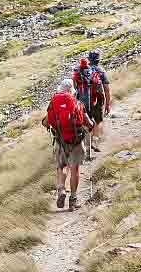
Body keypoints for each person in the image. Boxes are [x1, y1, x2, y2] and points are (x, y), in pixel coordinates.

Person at [43, 78, 94, 211]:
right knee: (74, 169)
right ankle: (73, 200)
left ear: (60, 90)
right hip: (76, 142)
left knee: (61, 167)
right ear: (72, 90)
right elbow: (88, 123)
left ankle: (61, 190)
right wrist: (90, 125)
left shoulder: (54, 103)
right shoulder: (77, 104)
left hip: (60, 141)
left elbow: (46, 123)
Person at [87, 51, 112, 153]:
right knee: (98, 121)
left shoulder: (82, 70)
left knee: (86, 120)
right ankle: (94, 140)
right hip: (97, 99)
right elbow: (106, 89)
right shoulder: (101, 71)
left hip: (84, 100)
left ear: (89, 59)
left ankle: (85, 143)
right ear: (98, 60)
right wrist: (107, 105)